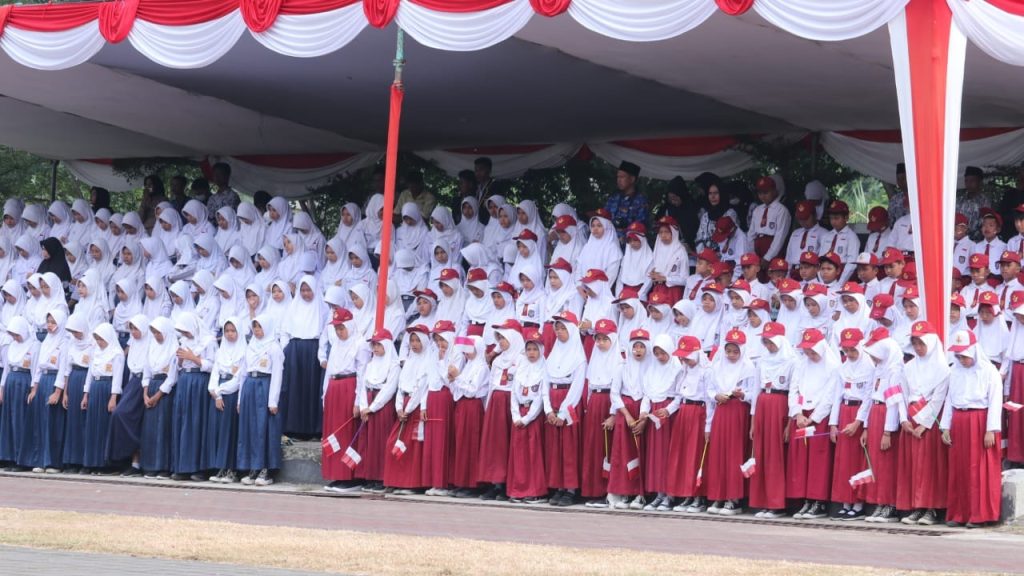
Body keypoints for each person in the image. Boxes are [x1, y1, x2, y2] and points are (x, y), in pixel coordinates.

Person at [942, 330, 1003, 527]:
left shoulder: (989, 371)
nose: (962, 360)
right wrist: (945, 426)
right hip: (959, 419)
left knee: (978, 469)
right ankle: (959, 513)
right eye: (958, 356)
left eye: (964, 356)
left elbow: (995, 401)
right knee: (959, 468)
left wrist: (991, 429)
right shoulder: (955, 371)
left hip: (979, 420)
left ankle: (979, 514)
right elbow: (950, 399)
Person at [898, 321, 949, 526]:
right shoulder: (909, 367)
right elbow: (902, 394)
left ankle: (931, 508)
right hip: (911, 421)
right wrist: (903, 419)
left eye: (922, 343)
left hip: (929, 422)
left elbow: (938, 399)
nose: (918, 348)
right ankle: (916, 506)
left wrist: (923, 424)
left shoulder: (942, 368)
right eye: (915, 344)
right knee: (914, 466)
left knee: (929, 466)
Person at [704, 328, 758, 516]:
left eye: (735, 351)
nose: (731, 355)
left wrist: (742, 395)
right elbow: (709, 390)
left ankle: (733, 498)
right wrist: (716, 396)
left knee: (734, 453)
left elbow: (753, 394)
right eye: (728, 351)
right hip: (721, 410)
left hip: (737, 411)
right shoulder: (717, 366)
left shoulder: (748, 368)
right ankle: (718, 495)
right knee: (719, 453)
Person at [788, 328, 840, 519]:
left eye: (812, 351)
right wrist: (797, 413)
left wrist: (814, 418)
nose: (810, 355)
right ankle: (805, 499)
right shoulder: (802, 364)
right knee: (801, 459)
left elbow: (830, 396)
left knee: (818, 459)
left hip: (819, 417)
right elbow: (794, 389)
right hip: (802, 416)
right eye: (807, 351)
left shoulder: (832, 366)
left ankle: (818, 500)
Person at [748, 321, 796, 518]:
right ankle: (763, 500)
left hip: (780, 403)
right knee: (761, 452)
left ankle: (777, 503)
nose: (768, 346)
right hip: (763, 403)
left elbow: (793, 391)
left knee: (776, 453)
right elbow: (755, 390)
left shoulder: (792, 361)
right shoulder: (762, 361)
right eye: (765, 342)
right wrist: (753, 420)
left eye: (771, 342)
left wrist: (790, 422)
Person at [320, 308, 371, 493]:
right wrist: (325, 394)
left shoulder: (360, 344)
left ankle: (351, 476)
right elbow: (329, 371)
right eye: (336, 329)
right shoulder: (336, 344)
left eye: (341, 328)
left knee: (347, 433)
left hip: (349, 388)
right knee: (333, 433)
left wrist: (358, 401)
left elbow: (363, 374)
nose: (339, 332)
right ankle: (336, 474)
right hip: (334, 388)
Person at [861, 329, 907, 523]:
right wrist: (865, 425)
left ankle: (890, 504)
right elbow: (869, 396)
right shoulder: (878, 368)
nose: (873, 358)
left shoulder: (895, 369)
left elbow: (894, 402)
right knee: (876, 463)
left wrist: (888, 431)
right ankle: (879, 502)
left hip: (887, 416)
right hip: (875, 413)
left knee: (887, 463)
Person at [542, 311, 587, 506]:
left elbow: (577, 387)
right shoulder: (552, 356)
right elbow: (544, 384)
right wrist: (548, 410)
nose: (559, 332)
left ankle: (570, 488)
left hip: (569, 405)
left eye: (563, 328)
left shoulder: (578, 358)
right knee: (555, 448)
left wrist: (563, 412)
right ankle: (558, 486)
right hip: (553, 401)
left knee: (569, 448)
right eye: (557, 328)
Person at [237, 314, 286, 487]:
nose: (257, 331)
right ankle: (253, 467)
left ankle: (266, 469)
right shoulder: (250, 345)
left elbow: (277, 375)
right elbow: (243, 372)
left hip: (264, 386)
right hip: (250, 386)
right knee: (250, 428)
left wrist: (273, 401)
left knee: (263, 428)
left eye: (260, 327)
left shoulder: (274, 347)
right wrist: (240, 398)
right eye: (255, 327)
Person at [478, 319, 523, 500]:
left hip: (511, 402)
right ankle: (495, 483)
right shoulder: (497, 361)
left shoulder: (521, 358)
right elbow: (491, 384)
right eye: (499, 338)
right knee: (496, 444)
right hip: (496, 403)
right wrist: (488, 406)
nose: (501, 342)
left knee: (508, 443)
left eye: (503, 338)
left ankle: (507, 483)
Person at [383, 324, 430, 494]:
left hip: (414, 408)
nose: (414, 344)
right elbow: (401, 385)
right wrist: (398, 408)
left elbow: (421, 387)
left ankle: (411, 484)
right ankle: (395, 480)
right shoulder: (409, 361)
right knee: (393, 442)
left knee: (412, 446)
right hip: (403, 406)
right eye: (412, 341)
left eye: (418, 340)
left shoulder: (427, 362)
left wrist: (408, 409)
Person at [581, 319, 622, 507]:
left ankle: (608, 491)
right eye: (598, 339)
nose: (600, 343)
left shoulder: (618, 361)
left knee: (607, 448)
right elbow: (590, 385)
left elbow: (617, 389)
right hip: (595, 403)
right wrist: (588, 406)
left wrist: (613, 414)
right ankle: (593, 490)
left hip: (608, 402)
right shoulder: (595, 357)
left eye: (605, 339)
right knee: (593, 447)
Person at [607, 328, 650, 509]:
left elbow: (650, 392)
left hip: (643, 411)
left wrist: (642, 417)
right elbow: (614, 393)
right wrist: (627, 416)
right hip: (625, 411)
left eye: (642, 346)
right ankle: (625, 491)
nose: (638, 350)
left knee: (642, 452)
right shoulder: (622, 367)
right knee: (623, 453)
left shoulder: (652, 366)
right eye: (635, 346)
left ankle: (640, 493)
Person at [355, 329, 400, 494]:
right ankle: (371, 476)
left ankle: (382, 477)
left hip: (382, 407)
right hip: (368, 404)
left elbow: (389, 389)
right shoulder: (371, 364)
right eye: (373, 344)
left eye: (379, 344)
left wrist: (372, 407)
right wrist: (363, 406)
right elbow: (363, 386)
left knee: (381, 441)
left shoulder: (394, 365)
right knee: (369, 443)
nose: (375, 348)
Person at [24, 309, 68, 473]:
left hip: (54, 381)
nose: (49, 325)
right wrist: (34, 388)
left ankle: (53, 462)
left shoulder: (64, 342)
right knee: (40, 422)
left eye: (53, 322)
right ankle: (40, 460)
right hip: (43, 381)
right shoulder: (46, 341)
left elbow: (63, 368)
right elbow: (38, 367)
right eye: (48, 322)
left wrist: (57, 391)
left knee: (53, 423)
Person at [107, 314, 149, 476]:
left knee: (128, 417)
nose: (133, 332)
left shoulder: (151, 342)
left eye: (136, 328)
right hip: (133, 383)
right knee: (120, 415)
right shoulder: (134, 344)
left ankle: (136, 462)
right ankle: (126, 459)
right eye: (131, 329)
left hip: (145, 383)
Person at [81, 323, 124, 474]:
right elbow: (90, 374)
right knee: (93, 425)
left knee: (105, 426)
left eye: (101, 339)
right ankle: (92, 462)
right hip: (95, 387)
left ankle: (105, 464)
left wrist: (113, 397)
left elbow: (117, 377)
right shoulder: (95, 351)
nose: (99, 342)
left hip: (107, 388)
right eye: (97, 339)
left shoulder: (116, 353)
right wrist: (85, 394)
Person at [449, 334, 489, 498]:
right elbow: (458, 391)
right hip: (462, 406)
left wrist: (458, 378)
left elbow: (473, 390)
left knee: (471, 444)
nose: (466, 351)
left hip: (473, 408)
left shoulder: (482, 367)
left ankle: (473, 484)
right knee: (461, 444)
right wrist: (453, 380)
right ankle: (462, 481)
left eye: (469, 348)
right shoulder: (468, 365)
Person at [140, 317, 178, 479]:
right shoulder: (152, 346)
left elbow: (172, 377)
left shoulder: (174, 348)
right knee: (151, 429)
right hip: (151, 388)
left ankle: (164, 466)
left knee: (164, 428)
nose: (156, 336)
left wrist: (157, 396)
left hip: (165, 392)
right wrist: (145, 393)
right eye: (154, 333)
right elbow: (146, 372)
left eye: (159, 332)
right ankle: (150, 465)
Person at [0, 317, 39, 470]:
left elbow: (35, 369)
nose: (15, 337)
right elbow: (6, 369)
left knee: (21, 419)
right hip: (11, 381)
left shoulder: (34, 345)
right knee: (9, 419)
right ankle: (10, 457)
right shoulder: (11, 346)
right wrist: (2, 388)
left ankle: (23, 459)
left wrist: (33, 388)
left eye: (17, 334)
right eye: (13, 334)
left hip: (24, 381)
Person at [60, 313, 93, 473]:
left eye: (77, 331)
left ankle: (84, 461)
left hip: (86, 379)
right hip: (73, 380)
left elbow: (93, 369)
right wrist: (65, 392)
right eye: (72, 332)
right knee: (72, 422)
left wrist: (87, 391)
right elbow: (67, 369)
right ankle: (71, 460)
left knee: (84, 421)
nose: (75, 335)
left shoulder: (92, 343)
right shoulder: (71, 344)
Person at [747, 176, 791, 261]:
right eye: (760, 193)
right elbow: (751, 234)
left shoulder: (781, 210)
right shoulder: (757, 210)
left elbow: (780, 236)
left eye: (766, 192)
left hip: (773, 247)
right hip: (757, 246)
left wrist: (768, 257)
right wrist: (752, 253)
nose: (763, 196)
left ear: (774, 191)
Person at [604, 161, 649, 243]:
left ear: (632, 179)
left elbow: (640, 227)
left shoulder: (641, 201)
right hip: (608, 242)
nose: (618, 180)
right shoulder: (613, 198)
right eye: (618, 177)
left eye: (622, 177)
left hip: (629, 244)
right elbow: (604, 219)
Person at [817, 200, 860, 284]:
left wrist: (840, 282)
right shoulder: (826, 236)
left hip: (842, 274)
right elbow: (819, 260)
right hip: (824, 273)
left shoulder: (851, 237)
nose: (833, 221)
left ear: (846, 218)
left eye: (836, 218)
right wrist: (822, 280)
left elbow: (852, 263)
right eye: (831, 218)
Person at [655, 176, 699, 251]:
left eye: (675, 198)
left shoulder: (693, 208)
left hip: (692, 249)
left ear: (681, 194)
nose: (673, 201)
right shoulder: (668, 209)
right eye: (670, 199)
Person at [957, 166, 992, 240]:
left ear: (980, 182)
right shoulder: (960, 200)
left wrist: (970, 240)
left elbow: (984, 224)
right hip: (958, 239)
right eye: (966, 181)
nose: (968, 184)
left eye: (972, 181)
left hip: (975, 241)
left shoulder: (984, 201)